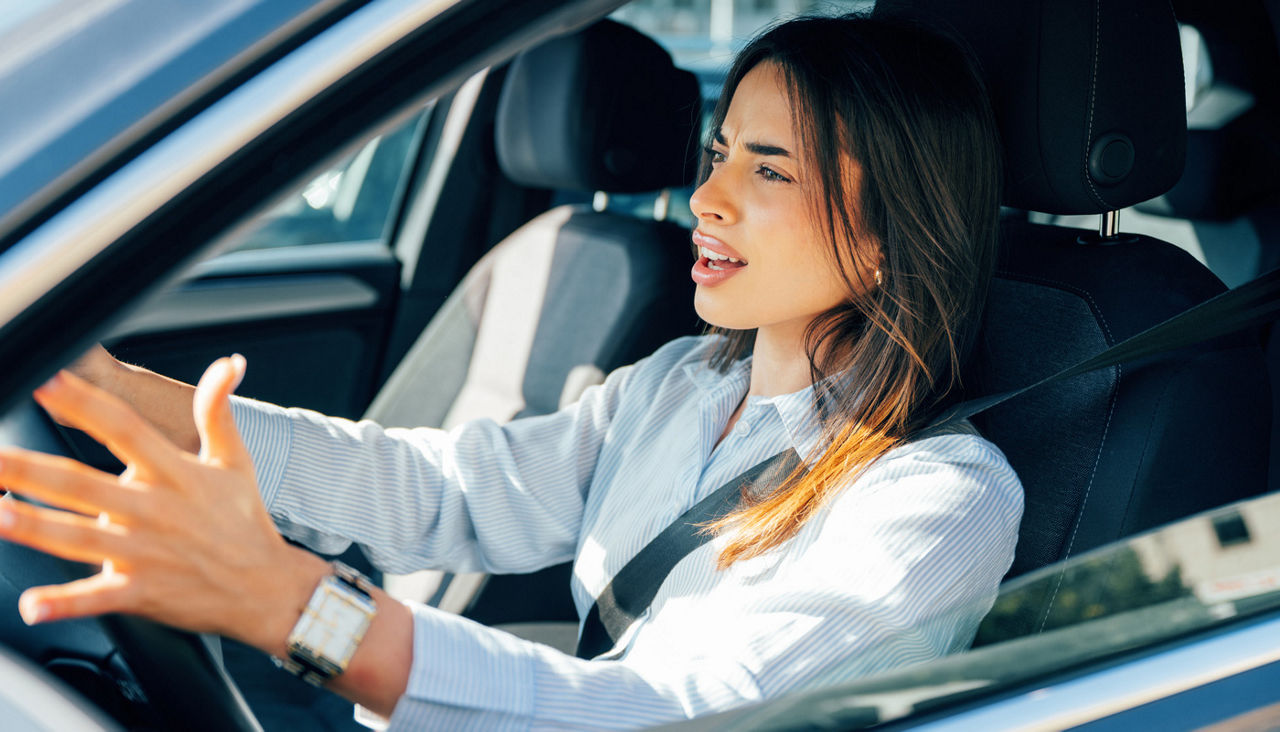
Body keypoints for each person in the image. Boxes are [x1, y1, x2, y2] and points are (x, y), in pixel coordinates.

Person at [0, 12, 1022, 730]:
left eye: (767, 169)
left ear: (889, 234)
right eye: (717, 153)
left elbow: (678, 718)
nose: (706, 197)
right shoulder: (677, 384)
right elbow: (438, 488)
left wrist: (294, 608)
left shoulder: (939, 498)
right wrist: (108, 391)